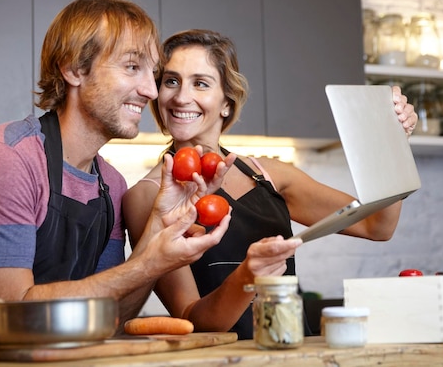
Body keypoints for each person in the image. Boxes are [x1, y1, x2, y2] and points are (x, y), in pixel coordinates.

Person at [0, 0, 232, 352]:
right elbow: (6, 316)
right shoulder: (3, 158)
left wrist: (159, 226)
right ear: (74, 69)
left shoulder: (111, 186)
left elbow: (109, 317)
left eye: (150, 74)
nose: (151, 92)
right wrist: (148, 263)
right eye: (132, 67)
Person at [122, 29, 419, 339]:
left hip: (292, 352)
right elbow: (191, 318)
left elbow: (377, 226)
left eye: (200, 83)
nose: (181, 96)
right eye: (171, 81)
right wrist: (248, 276)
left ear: (227, 101)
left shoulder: (269, 175)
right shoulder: (145, 197)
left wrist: (391, 137)